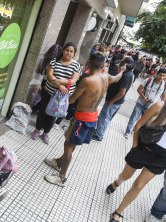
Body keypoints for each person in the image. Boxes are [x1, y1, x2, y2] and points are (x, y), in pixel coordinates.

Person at [43, 52, 126, 187]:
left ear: (88, 64)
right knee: (72, 143)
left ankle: (61, 177)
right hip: (93, 117)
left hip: (81, 119)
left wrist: (65, 88)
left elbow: (71, 99)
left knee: (68, 145)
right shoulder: (107, 77)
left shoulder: (87, 81)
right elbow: (117, 77)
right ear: (103, 65)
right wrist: (123, 69)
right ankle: (59, 162)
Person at [106, 101, 166, 222]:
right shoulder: (160, 106)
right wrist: (135, 146)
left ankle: (118, 212)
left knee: (138, 185)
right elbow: (139, 124)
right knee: (125, 176)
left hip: (160, 159)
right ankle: (117, 183)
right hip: (143, 149)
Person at [31, 42, 81, 144]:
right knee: (43, 111)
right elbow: (50, 75)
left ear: (74, 53)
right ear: (63, 50)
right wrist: (60, 85)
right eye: (67, 50)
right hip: (49, 92)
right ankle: (37, 129)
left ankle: (46, 133)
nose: (68, 53)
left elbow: (74, 80)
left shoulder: (76, 65)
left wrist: (61, 82)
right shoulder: (54, 61)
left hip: (62, 96)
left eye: (71, 51)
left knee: (53, 114)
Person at [92, 57, 135, 142]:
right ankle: (97, 131)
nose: (120, 65)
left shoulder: (126, 75)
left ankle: (99, 136)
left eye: (122, 64)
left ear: (126, 65)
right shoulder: (127, 73)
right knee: (103, 116)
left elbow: (122, 92)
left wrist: (111, 102)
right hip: (111, 100)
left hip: (113, 102)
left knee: (105, 118)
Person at [124, 69, 166, 138]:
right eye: (160, 75)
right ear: (157, 74)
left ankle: (137, 133)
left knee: (144, 122)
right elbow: (139, 89)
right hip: (140, 103)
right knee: (133, 118)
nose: (161, 77)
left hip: (151, 107)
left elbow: (163, 98)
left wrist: (158, 105)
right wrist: (143, 97)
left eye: (163, 76)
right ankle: (127, 132)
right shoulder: (149, 80)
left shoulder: (164, 86)